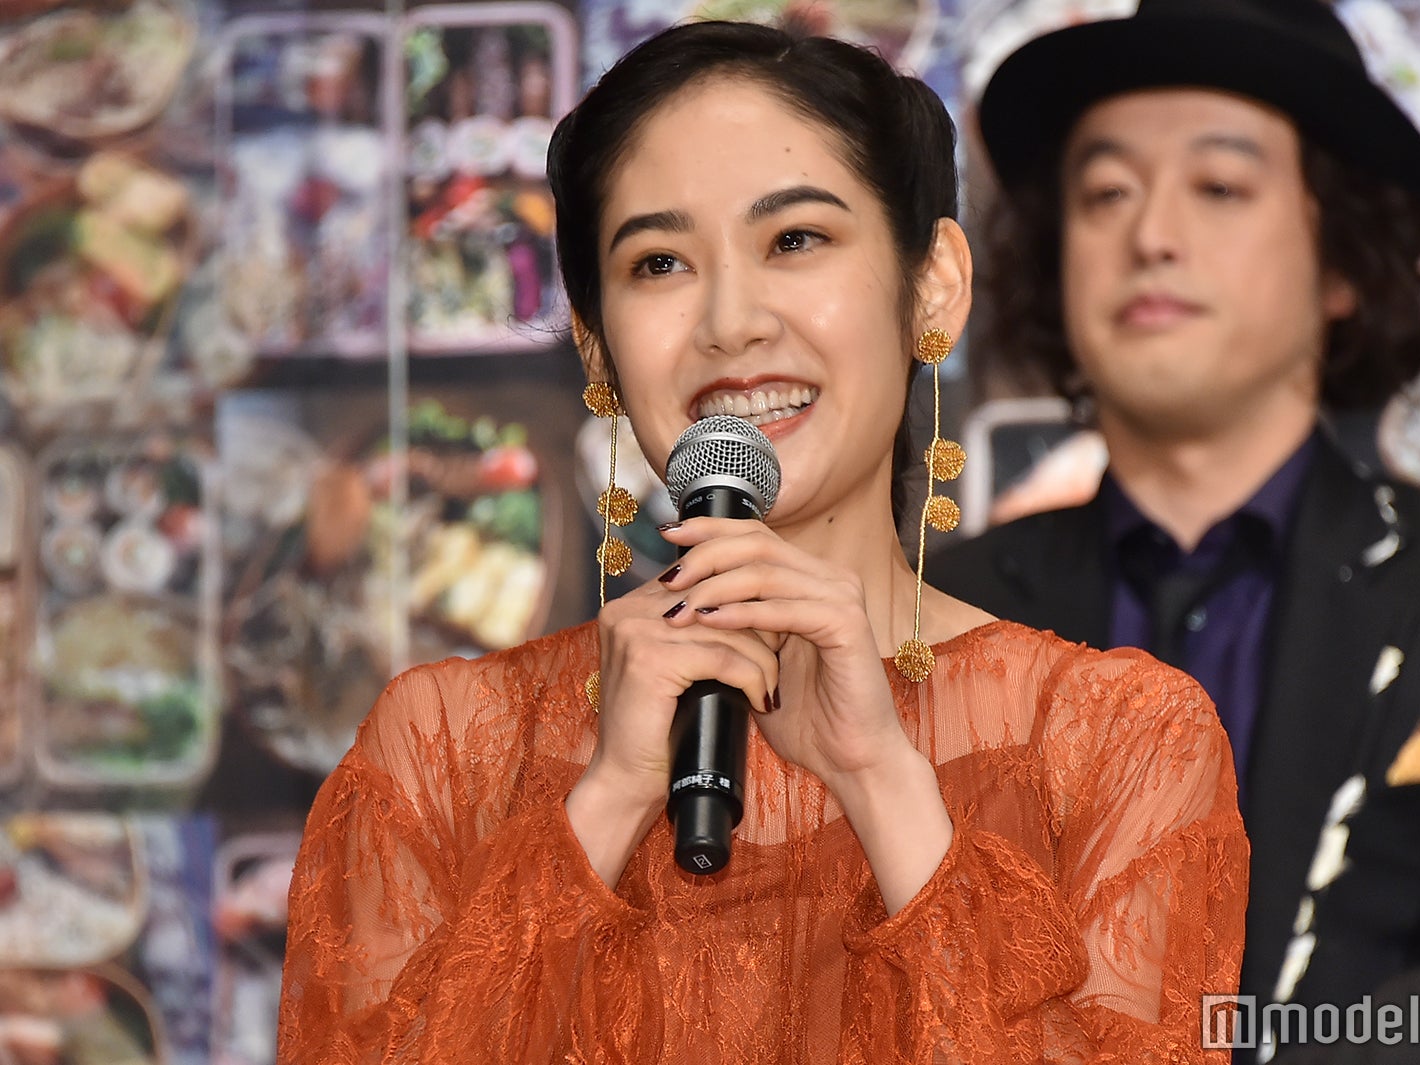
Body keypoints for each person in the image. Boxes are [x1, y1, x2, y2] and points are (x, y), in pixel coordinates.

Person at [275, 20, 1247, 1064]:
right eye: (658, 262)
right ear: (595, 341)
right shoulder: (442, 746)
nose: (730, 322)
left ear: (932, 285)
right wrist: (605, 802)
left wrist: (883, 781)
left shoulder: (1119, 743)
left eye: (795, 240)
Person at [929, 1, 1420, 1061]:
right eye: (1105, 193)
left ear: (1342, 262)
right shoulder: (935, 616)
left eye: (1219, 187)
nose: (1151, 235)